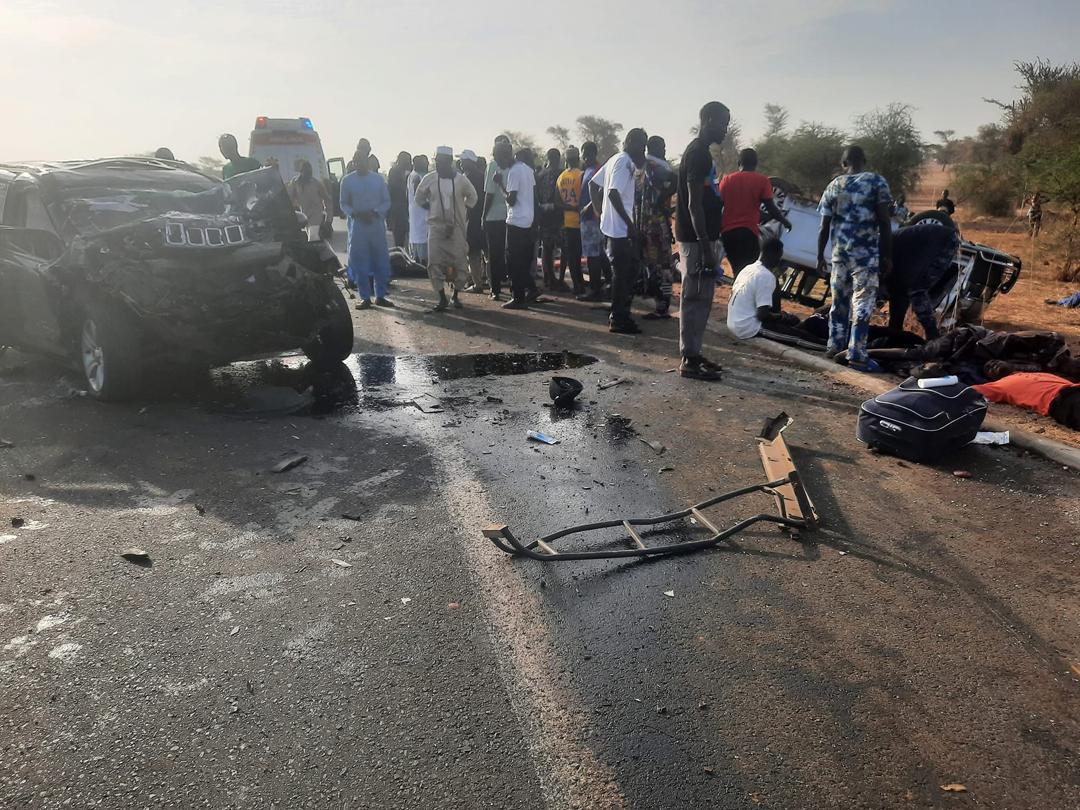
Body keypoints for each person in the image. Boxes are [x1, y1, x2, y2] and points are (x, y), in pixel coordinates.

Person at [817, 145, 893, 372]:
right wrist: (887, 255)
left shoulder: (834, 185)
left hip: (839, 256)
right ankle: (856, 353)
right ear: (864, 160)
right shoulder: (876, 182)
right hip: (865, 257)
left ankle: (834, 346)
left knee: (838, 304)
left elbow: (824, 226)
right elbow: (885, 222)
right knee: (862, 303)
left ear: (844, 163)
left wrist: (820, 255)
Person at [675, 102, 731, 379]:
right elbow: (693, 204)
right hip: (697, 241)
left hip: (702, 239)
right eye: (723, 123)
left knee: (701, 298)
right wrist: (706, 244)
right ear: (709, 119)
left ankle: (694, 353)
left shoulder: (701, 153)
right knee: (695, 297)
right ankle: (689, 359)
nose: (726, 130)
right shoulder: (697, 154)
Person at [590, 128, 649, 334]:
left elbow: (592, 184)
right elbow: (613, 193)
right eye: (641, 143)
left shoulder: (615, 159)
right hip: (620, 231)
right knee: (623, 275)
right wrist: (630, 226)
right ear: (631, 141)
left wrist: (600, 212)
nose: (643, 149)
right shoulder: (623, 162)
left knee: (627, 272)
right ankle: (618, 317)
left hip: (613, 227)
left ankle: (621, 314)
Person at [413, 146, 478, 311]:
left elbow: (473, 196)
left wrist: (463, 209)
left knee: (458, 263)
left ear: (449, 162)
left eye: (441, 161)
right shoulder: (430, 178)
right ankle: (442, 297)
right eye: (436, 161)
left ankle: (455, 295)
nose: (438, 164)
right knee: (434, 262)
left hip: (456, 228)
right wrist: (430, 207)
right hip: (436, 227)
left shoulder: (461, 180)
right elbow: (419, 196)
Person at [718, 148, 792, 276]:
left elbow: (718, 206)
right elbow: (771, 207)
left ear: (739, 162)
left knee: (737, 270)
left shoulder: (727, 180)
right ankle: (741, 295)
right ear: (756, 163)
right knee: (747, 274)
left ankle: (737, 293)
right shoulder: (762, 181)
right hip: (748, 233)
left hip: (728, 234)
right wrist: (785, 221)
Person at [340, 139, 393, 310]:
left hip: (376, 225)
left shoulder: (378, 180)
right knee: (360, 262)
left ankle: (380, 295)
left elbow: (386, 201)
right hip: (358, 227)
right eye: (356, 162)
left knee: (380, 261)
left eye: (362, 161)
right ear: (353, 163)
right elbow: (343, 203)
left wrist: (375, 212)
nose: (359, 164)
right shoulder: (347, 181)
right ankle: (365, 297)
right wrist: (355, 213)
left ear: (367, 162)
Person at [887, 221, 960, 339]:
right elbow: (896, 290)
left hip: (941, 241)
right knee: (899, 289)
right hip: (932, 242)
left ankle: (933, 336)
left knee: (916, 288)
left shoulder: (876, 253)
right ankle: (895, 330)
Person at [726, 238, 803, 341]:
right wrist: (781, 317)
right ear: (771, 254)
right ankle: (826, 346)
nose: (779, 260)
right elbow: (762, 315)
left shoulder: (748, 268)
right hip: (748, 327)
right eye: (779, 256)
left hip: (734, 322)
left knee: (792, 323)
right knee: (800, 337)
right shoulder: (766, 276)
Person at [492, 139, 538, 310]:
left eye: (497, 157)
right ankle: (529, 291)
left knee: (513, 261)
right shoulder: (527, 169)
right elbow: (534, 196)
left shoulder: (513, 172)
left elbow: (511, 199)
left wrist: (500, 185)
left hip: (516, 221)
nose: (497, 161)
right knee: (524, 261)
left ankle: (518, 297)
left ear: (505, 155)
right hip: (528, 220)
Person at [638, 136, 678, 319]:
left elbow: (674, 181)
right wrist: (663, 201)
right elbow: (675, 180)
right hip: (657, 222)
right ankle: (662, 304)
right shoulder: (657, 166)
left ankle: (661, 304)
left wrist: (661, 201)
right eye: (662, 146)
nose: (665, 149)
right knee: (661, 264)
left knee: (656, 263)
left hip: (650, 222)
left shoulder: (647, 166)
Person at [578, 141, 611, 301]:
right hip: (587, 218)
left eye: (584, 153)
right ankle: (610, 283)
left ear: (591, 153)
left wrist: (589, 207)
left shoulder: (598, 169)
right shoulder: (588, 170)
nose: (583, 156)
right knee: (599, 253)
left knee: (592, 256)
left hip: (592, 217)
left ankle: (595, 289)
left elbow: (602, 190)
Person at [483, 135, 512, 300]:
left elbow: (489, 193)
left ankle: (495, 290)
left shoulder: (493, 164)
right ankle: (511, 286)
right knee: (509, 253)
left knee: (494, 254)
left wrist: (483, 216)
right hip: (510, 215)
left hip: (493, 215)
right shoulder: (515, 166)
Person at [556, 146, 585, 294]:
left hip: (567, 221)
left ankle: (577, 284)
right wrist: (576, 208)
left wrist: (568, 207)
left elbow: (557, 202)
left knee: (571, 256)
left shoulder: (561, 177)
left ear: (566, 160)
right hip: (580, 221)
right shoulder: (582, 175)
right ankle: (580, 285)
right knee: (578, 256)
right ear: (578, 158)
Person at [458, 149, 487, 293]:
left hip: (472, 219)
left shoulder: (467, 178)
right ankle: (488, 280)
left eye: (463, 161)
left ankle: (477, 283)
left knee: (473, 253)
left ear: (469, 161)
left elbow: (468, 201)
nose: (461, 163)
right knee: (486, 253)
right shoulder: (483, 175)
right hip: (485, 217)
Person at [536, 148, 565, 290]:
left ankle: (548, 277)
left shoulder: (540, 175)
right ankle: (555, 279)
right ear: (558, 158)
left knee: (547, 248)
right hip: (557, 214)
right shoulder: (561, 173)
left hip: (543, 214)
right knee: (560, 247)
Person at [289, 160, 332, 241]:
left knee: (312, 237)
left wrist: (328, 219)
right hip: (304, 216)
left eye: (309, 171)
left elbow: (327, 200)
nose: (308, 173)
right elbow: (290, 199)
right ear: (301, 172)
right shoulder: (295, 183)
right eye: (306, 171)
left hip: (316, 215)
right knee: (308, 240)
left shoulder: (316, 183)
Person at [407, 154, 430, 265]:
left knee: (417, 236)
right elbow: (418, 196)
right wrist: (432, 206)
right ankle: (422, 262)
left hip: (415, 211)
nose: (428, 164)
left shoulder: (412, 175)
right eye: (425, 162)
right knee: (421, 237)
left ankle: (418, 260)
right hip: (421, 211)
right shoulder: (417, 177)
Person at [387, 151, 412, 248]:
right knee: (399, 239)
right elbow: (395, 189)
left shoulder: (406, 172)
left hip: (405, 209)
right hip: (398, 209)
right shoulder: (394, 171)